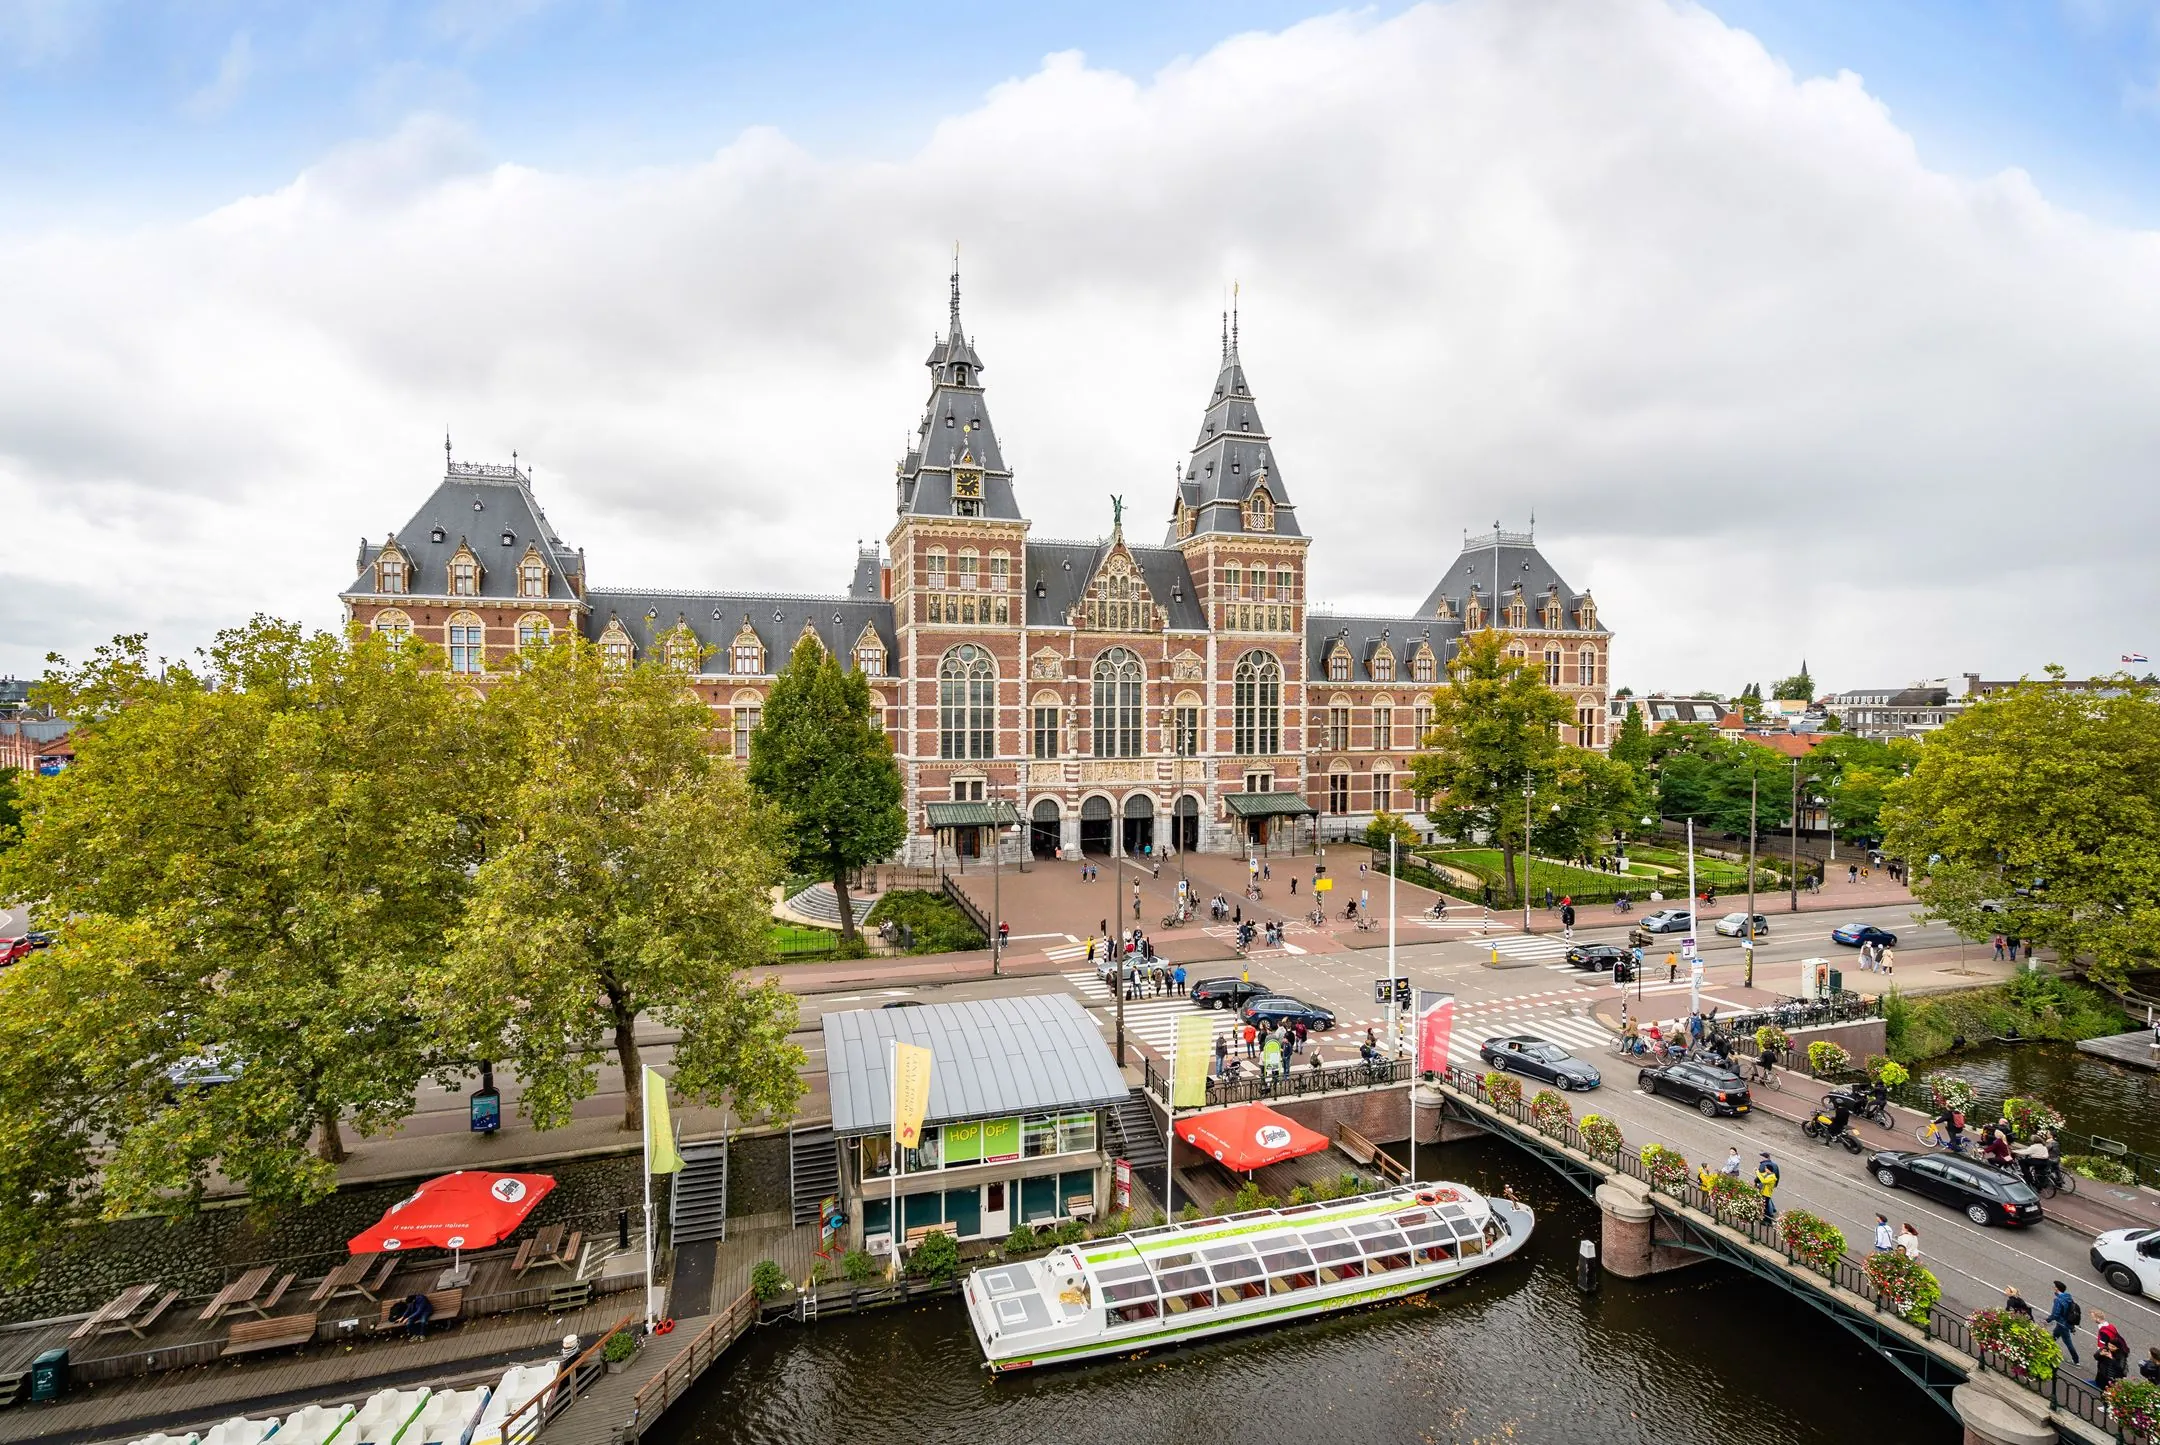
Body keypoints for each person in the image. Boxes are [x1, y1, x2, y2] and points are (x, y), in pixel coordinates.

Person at [2049, 1282, 2082, 1365]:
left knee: (2067, 1342)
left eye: (2054, 1287)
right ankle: (2046, 1349)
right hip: (2066, 1323)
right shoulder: (2068, 1297)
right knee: (2054, 1336)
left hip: (2062, 1324)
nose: (2053, 1288)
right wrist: (2072, 1327)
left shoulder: (2058, 1300)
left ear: (2057, 1289)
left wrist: (2047, 1320)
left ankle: (2076, 1361)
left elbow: (2055, 1314)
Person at [2097, 1313, 2129, 1389]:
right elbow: (2095, 1356)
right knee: (2100, 1388)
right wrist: (2100, 1354)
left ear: (2117, 1347)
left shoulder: (2121, 1355)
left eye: (2113, 1346)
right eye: (2109, 1345)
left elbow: (2120, 1368)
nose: (2110, 1347)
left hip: (2112, 1377)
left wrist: (2112, 1358)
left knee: (2108, 1391)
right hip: (2102, 1374)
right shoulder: (2106, 1348)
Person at [1755, 1154, 1780, 1223]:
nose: (1765, 1169)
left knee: (1766, 1206)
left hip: (1765, 1192)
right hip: (1765, 1191)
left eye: (1766, 1169)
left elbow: (1763, 1180)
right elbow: (1763, 1174)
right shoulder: (1773, 1167)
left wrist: (1757, 1175)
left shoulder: (1771, 1176)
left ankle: (1768, 1220)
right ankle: (1769, 1214)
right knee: (1765, 1204)